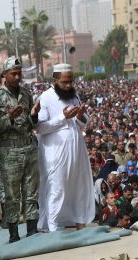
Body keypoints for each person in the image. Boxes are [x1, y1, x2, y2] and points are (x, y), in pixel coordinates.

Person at [37, 63, 95, 232]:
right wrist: (62, 117)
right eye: (64, 82)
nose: (69, 85)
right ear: (54, 80)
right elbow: (40, 128)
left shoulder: (74, 96)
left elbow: (82, 124)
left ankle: (80, 224)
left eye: (71, 81)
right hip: (56, 152)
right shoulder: (45, 98)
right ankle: (52, 228)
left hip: (76, 149)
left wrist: (81, 116)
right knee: (57, 188)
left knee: (79, 187)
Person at [0, 56, 40, 241]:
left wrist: (34, 116)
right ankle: (14, 234)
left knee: (31, 192)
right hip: (9, 151)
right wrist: (8, 118)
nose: (18, 77)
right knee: (12, 196)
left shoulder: (26, 94)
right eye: (14, 74)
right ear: (5, 74)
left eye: (19, 73)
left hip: (28, 146)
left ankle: (32, 230)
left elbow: (31, 123)